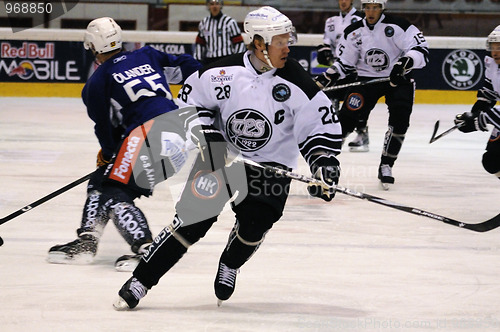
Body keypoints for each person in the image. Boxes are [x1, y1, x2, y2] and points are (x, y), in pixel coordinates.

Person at [113, 6, 343, 310]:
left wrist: (323, 163)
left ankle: (230, 263)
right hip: (220, 156)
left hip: (271, 166)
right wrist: (208, 136)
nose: (288, 47)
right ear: (259, 43)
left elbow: (318, 128)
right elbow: (191, 101)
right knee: (191, 222)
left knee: (255, 225)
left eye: (288, 39)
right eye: (280, 41)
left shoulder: (298, 82)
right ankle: (140, 281)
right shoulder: (219, 72)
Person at [47, 17, 202, 270]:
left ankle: (146, 250)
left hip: (147, 135)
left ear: (94, 47)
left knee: (114, 192)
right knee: (102, 180)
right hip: (178, 133)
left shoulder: (97, 82)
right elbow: (189, 67)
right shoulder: (148, 54)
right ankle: (87, 240)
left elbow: (104, 127)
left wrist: (109, 152)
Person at [315, 0, 429, 190]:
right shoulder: (354, 30)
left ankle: (386, 164)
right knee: (346, 118)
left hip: (397, 80)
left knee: (400, 120)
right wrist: (329, 76)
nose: (371, 11)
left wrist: (404, 64)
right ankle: (326, 162)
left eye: (375, 7)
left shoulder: (398, 26)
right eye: (367, 7)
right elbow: (345, 63)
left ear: (382, 8)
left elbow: (421, 50)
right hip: (367, 80)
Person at [317, 0, 368, 152]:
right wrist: (324, 50)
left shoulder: (360, 19)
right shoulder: (331, 21)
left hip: (354, 68)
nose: (343, 2)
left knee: (354, 101)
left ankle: (362, 134)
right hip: (337, 67)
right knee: (331, 100)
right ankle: (334, 133)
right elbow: (327, 41)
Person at [454, 25, 500, 180]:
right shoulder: (492, 63)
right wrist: (474, 114)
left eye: (499, 47)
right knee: (492, 160)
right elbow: (489, 92)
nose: (495, 52)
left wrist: (480, 119)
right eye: (493, 46)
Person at [193, 0, 246, 65]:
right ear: (208, 6)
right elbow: (200, 44)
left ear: (221, 5)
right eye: (212, 4)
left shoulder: (229, 22)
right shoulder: (204, 23)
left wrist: (237, 59)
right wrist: (198, 60)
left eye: (217, 4)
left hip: (226, 58)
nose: (214, 6)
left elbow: (239, 43)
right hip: (210, 59)